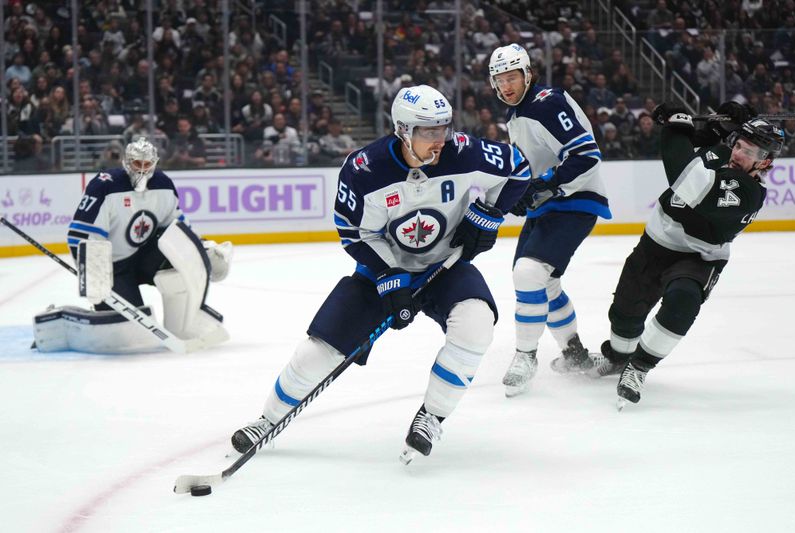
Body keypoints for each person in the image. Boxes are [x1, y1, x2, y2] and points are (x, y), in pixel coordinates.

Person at [230, 85, 531, 463]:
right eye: (429, 132)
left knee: (476, 323)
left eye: (444, 129)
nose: (440, 140)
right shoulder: (364, 170)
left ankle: (432, 417)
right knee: (316, 353)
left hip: (447, 264)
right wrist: (390, 275)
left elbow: (519, 168)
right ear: (404, 130)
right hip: (381, 271)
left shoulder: (464, 151)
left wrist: (489, 214)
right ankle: (267, 420)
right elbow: (354, 233)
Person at [589, 102, 784, 408]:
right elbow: (697, 143)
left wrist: (674, 126)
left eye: (750, 152)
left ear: (765, 163)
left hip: (698, 257)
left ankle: (639, 367)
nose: (738, 154)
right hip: (654, 244)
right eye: (740, 145)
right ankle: (617, 358)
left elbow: (685, 177)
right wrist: (717, 128)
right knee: (625, 314)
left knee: (683, 300)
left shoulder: (747, 192)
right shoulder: (724, 153)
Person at [487, 43, 611, 397]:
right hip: (553, 204)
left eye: (512, 77)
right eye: (500, 80)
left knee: (528, 272)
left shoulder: (546, 102)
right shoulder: (519, 113)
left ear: (528, 74)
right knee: (542, 283)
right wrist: (521, 192)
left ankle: (526, 356)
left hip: (576, 201)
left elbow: (587, 155)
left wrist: (545, 185)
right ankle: (574, 354)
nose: (507, 86)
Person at [33, 138, 232, 354]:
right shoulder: (105, 185)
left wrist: (200, 250)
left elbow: (178, 230)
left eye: (148, 164)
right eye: (138, 164)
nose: (143, 170)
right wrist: (94, 275)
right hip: (113, 267)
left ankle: (185, 322)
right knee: (131, 331)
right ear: (127, 162)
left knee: (178, 267)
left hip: (144, 257)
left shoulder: (163, 184)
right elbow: (79, 235)